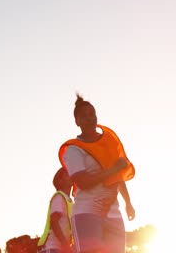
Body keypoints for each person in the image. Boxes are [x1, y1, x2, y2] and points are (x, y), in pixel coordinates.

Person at [58, 93, 136, 253]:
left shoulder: (109, 144)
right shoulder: (74, 149)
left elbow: (118, 178)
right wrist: (113, 169)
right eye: (84, 116)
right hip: (87, 212)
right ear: (77, 122)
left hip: (113, 214)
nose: (89, 118)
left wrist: (128, 203)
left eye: (92, 114)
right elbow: (84, 182)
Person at [37, 167, 74, 253]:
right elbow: (54, 221)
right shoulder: (59, 197)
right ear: (59, 181)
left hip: (59, 248)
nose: (70, 175)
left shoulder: (70, 202)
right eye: (66, 174)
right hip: (51, 247)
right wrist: (65, 244)